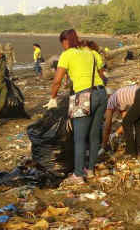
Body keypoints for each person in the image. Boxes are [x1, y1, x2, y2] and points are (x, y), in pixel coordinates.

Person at [45, 29, 107, 185]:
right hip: (101, 94)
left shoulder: (67, 54)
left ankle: (78, 175)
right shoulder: (92, 53)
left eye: (63, 44)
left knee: (79, 138)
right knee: (93, 136)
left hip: (83, 96)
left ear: (65, 41)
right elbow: (102, 76)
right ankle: (90, 170)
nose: (63, 47)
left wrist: (53, 98)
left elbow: (57, 81)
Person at [103, 85, 140, 157]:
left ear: (108, 95)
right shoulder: (120, 98)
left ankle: (130, 151)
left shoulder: (111, 99)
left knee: (128, 122)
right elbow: (125, 120)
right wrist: (116, 134)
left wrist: (104, 144)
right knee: (137, 122)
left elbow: (108, 125)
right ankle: (139, 151)